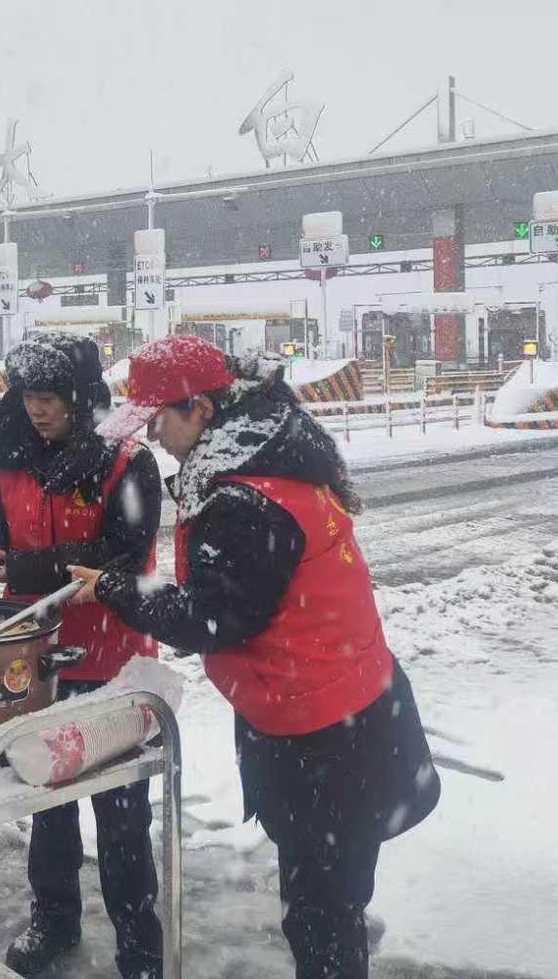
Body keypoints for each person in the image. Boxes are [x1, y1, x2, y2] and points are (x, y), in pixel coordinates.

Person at [72, 336, 441, 979]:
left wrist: (114, 589)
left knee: (321, 915)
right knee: (332, 902)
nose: (152, 434)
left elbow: (211, 619)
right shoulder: (270, 455)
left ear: (203, 410)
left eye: (159, 418)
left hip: (324, 735)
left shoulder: (244, 500)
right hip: (347, 708)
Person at [0, 332, 164, 979]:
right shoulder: (12, 459)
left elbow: (122, 554)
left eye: (49, 397)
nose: (37, 408)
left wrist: (22, 566)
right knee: (46, 804)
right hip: (36, 658)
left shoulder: (128, 461)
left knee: (122, 813)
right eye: (27, 396)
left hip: (111, 661)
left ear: (79, 395)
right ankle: (54, 919)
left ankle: (140, 945)